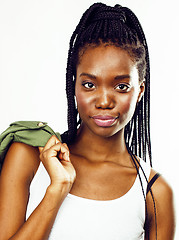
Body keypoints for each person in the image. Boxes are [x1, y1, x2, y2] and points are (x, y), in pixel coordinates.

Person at [0, 3, 175, 240]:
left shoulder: (154, 192)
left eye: (121, 87)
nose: (104, 101)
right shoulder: (29, 155)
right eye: (89, 85)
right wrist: (57, 190)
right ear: (73, 85)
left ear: (140, 91)